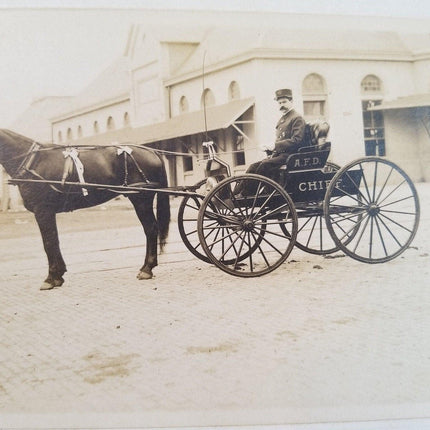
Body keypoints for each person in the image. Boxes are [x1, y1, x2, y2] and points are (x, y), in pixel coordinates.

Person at [246, 88, 306, 181]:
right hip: (279, 155)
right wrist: (269, 147)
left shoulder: (297, 118)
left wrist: (275, 146)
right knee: (253, 167)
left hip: (291, 155)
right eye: (280, 103)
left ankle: (248, 193)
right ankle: (237, 193)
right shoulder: (283, 118)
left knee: (265, 165)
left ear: (291, 101)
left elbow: (297, 140)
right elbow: (280, 138)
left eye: (284, 102)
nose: (282, 105)